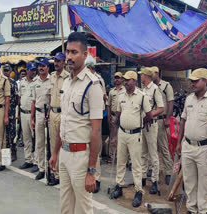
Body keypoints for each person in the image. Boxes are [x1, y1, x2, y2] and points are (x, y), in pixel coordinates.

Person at [49, 32, 103, 214]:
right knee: (65, 207)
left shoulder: (92, 85)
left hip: (81, 157)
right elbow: (64, 121)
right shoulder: (66, 83)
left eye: (74, 52)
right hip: (64, 153)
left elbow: (96, 132)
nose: (69, 57)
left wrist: (91, 170)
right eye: (68, 52)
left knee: (83, 208)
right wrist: (55, 152)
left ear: (85, 54)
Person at [176, 68, 207, 214]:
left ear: (204, 81)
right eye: (192, 81)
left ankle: (203, 211)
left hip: (205, 148)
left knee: (204, 182)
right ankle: (191, 209)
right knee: (189, 182)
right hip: (188, 146)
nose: (193, 83)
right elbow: (183, 121)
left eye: (196, 81)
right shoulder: (189, 98)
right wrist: (179, 143)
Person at [110, 71, 152, 207]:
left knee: (136, 164)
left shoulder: (141, 96)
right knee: (120, 161)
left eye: (128, 80)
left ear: (134, 81)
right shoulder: (120, 95)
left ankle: (138, 191)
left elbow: (149, 115)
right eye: (125, 80)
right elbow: (117, 116)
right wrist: (115, 135)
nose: (125, 82)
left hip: (135, 135)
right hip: (122, 133)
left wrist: (140, 123)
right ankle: (119, 185)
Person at [139, 67, 164, 194]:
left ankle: (155, 180)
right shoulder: (143, 90)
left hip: (151, 124)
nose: (140, 77)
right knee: (143, 152)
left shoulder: (155, 89)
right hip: (143, 125)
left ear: (146, 76)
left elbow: (161, 108)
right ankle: (143, 176)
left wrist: (150, 115)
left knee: (153, 153)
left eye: (142, 75)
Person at [85, 54, 107, 193]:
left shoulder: (98, 80)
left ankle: (96, 178)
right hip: (84, 118)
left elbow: (103, 98)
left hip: (95, 118)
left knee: (94, 150)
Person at [47, 52, 69, 186]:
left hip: (63, 113)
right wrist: (48, 111)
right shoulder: (51, 77)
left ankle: (62, 174)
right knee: (53, 142)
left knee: (62, 145)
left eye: (59, 61)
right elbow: (50, 96)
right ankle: (56, 174)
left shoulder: (67, 77)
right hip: (53, 112)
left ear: (64, 62)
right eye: (55, 60)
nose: (56, 63)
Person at [151, 66, 174, 185]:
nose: (151, 75)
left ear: (157, 73)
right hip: (151, 120)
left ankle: (168, 172)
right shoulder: (149, 87)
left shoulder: (166, 86)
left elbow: (170, 102)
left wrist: (168, 118)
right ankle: (153, 169)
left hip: (162, 119)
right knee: (152, 147)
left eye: (153, 73)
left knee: (164, 146)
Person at [31, 58, 51, 180]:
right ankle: (41, 168)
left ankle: (51, 168)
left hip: (49, 114)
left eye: (43, 66)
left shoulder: (51, 81)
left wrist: (49, 113)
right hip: (38, 113)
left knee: (49, 143)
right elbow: (33, 101)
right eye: (40, 66)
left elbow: (52, 100)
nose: (41, 68)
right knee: (39, 142)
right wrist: (32, 118)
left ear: (48, 67)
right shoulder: (35, 81)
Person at [18, 62, 38, 172]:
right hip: (23, 112)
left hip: (33, 113)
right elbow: (19, 97)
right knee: (26, 138)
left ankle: (36, 161)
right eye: (31, 70)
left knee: (36, 139)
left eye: (34, 70)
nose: (33, 71)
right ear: (27, 70)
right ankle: (28, 159)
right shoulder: (22, 82)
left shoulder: (37, 81)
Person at [3, 64, 18, 162]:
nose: (5, 72)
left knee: (12, 134)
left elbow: (17, 98)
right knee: (4, 135)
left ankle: (13, 152)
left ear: (10, 71)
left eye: (7, 71)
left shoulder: (13, 83)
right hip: (2, 111)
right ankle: (5, 157)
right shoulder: (1, 82)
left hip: (11, 111)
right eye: (4, 70)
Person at [107, 72, 125, 148]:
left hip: (123, 116)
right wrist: (108, 117)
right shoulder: (111, 91)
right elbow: (108, 105)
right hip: (113, 116)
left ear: (122, 79)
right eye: (115, 78)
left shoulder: (125, 90)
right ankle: (112, 157)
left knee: (122, 137)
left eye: (118, 78)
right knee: (113, 137)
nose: (117, 80)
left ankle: (120, 156)